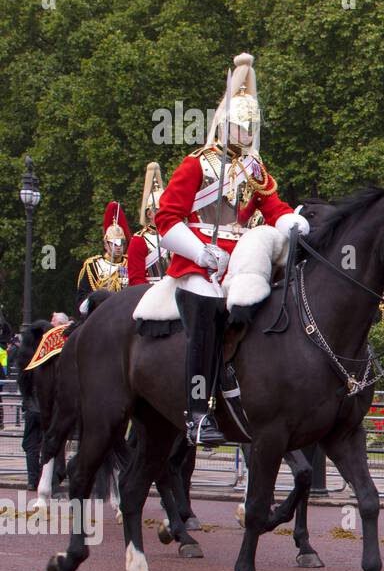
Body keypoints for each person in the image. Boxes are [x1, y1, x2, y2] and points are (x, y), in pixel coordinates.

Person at [154, 52, 309, 446]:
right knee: (206, 315)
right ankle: (196, 412)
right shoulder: (196, 165)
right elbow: (167, 219)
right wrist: (199, 252)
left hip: (242, 261)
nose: (248, 134)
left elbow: (272, 207)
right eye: (243, 127)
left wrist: (291, 221)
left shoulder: (255, 169)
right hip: (197, 264)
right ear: (226, 125)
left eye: (252, 127)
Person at [76, 202, 130, 312]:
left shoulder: (130, 263)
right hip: (98, 313)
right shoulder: (93, 266)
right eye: (114, 243)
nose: (118, 247)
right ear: (106, 244)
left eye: (121, 243)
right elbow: (82, 298)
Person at [128, 161, 170, 285]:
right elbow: (136, 279)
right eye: (159, 210)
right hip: (152, 293)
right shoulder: (139, 240)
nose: (164, 214)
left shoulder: (177, 233)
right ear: (149, 213)